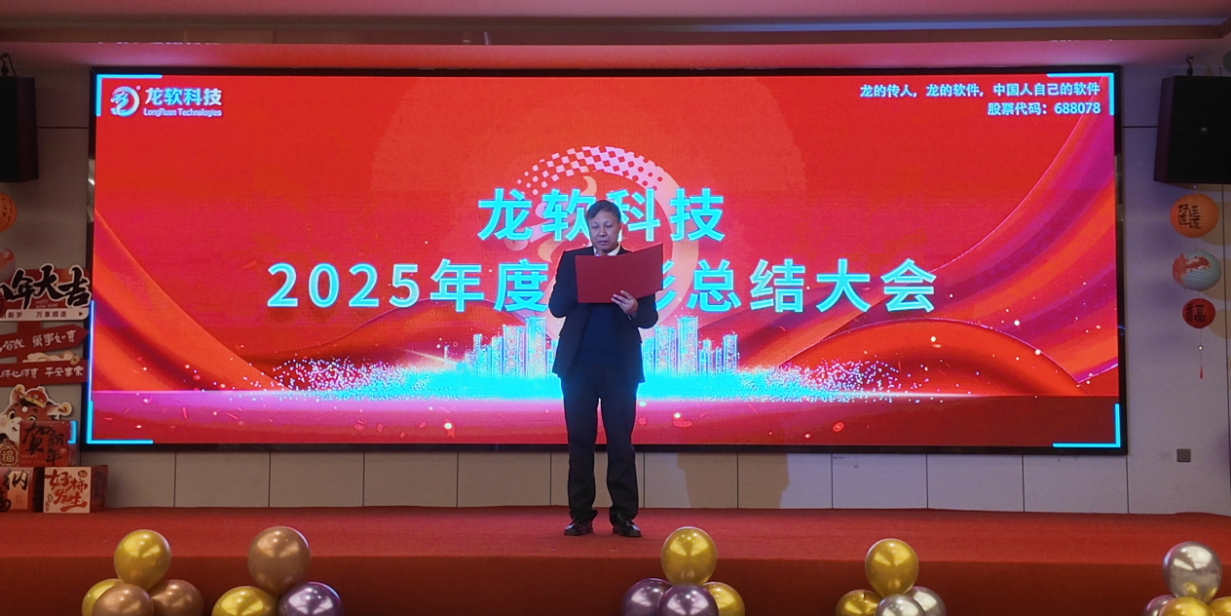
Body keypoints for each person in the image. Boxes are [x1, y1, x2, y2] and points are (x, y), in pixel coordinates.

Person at [548, 199, 658, 538]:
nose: (602, 232)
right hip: (578, 366)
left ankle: (623, 516)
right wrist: (585, 280)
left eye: (608, 226)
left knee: (620, 443)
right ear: (588, 229)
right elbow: (556, 307)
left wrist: (634, 307)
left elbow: (649, 317)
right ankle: (580, 516)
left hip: (620, 368)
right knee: (579, 442)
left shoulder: (635, 264)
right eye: (595, 226)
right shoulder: (573, 260)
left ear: (620, 227)